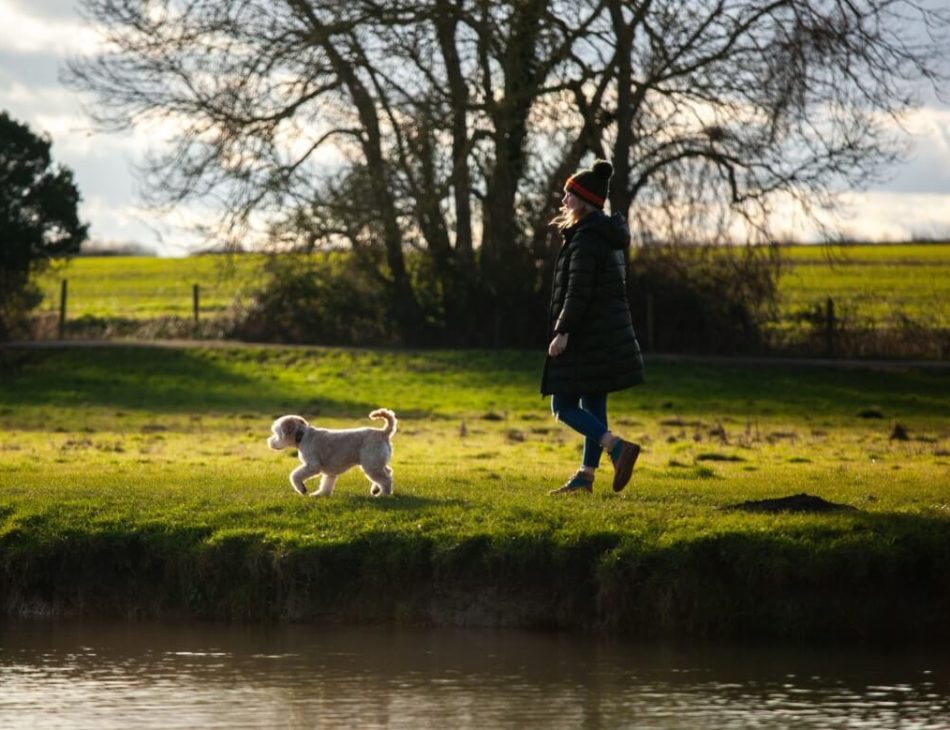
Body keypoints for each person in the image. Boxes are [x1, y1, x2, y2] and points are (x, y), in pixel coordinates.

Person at [540, 158, 644, 495]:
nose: (563, 201)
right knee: (593, 404)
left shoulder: (585, 240)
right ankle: (586, 476)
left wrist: (563, 332)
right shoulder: (605, 236)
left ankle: (616, 446)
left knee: (562, 406)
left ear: (584, 200)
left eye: (569, 195)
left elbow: (578, 292)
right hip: (605, 336)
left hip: (586, 335)